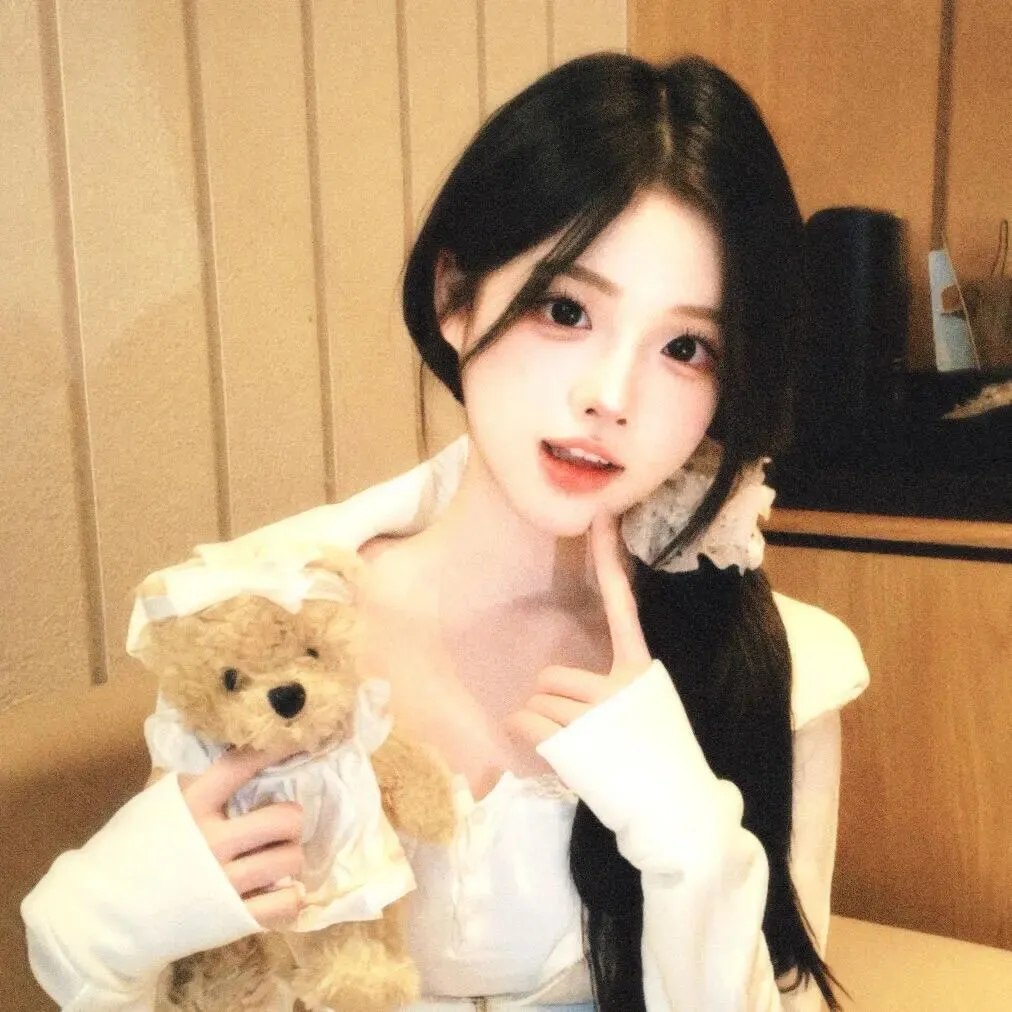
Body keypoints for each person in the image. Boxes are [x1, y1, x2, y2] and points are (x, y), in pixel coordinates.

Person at [22, 52, 869, 1011]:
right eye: (566, 309)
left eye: (685, 346)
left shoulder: (772, 667)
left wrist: (687, 839)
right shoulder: (265, 634)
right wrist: (101, 927)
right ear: (455, 299)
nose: (610, 396)